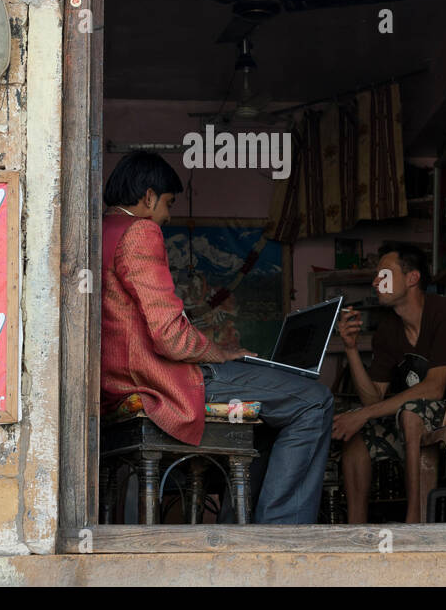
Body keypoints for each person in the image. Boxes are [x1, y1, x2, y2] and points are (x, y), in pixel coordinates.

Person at [100, 150, 334, 524]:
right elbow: (170, 339)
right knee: (314, 400)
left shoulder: (98, 232)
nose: (167, 216)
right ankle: (280, 533)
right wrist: (222, 353)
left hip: (119, 382)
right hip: (160, 382)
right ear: (147, 197)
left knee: (274, 416)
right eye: (167, 204)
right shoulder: (140, 231)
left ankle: (239, 533)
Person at [333, 242, 446, 523]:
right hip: (411, 418)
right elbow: (373, 400)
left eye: (385, 274)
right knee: (357, 437)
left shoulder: (445, 313)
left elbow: (434, 388)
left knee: (410, 413)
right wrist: (351, 348)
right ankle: (355, 530)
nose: (375, 282)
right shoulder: (388, 329)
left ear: (412, 278)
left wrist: (362, 414)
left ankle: (415, 523)